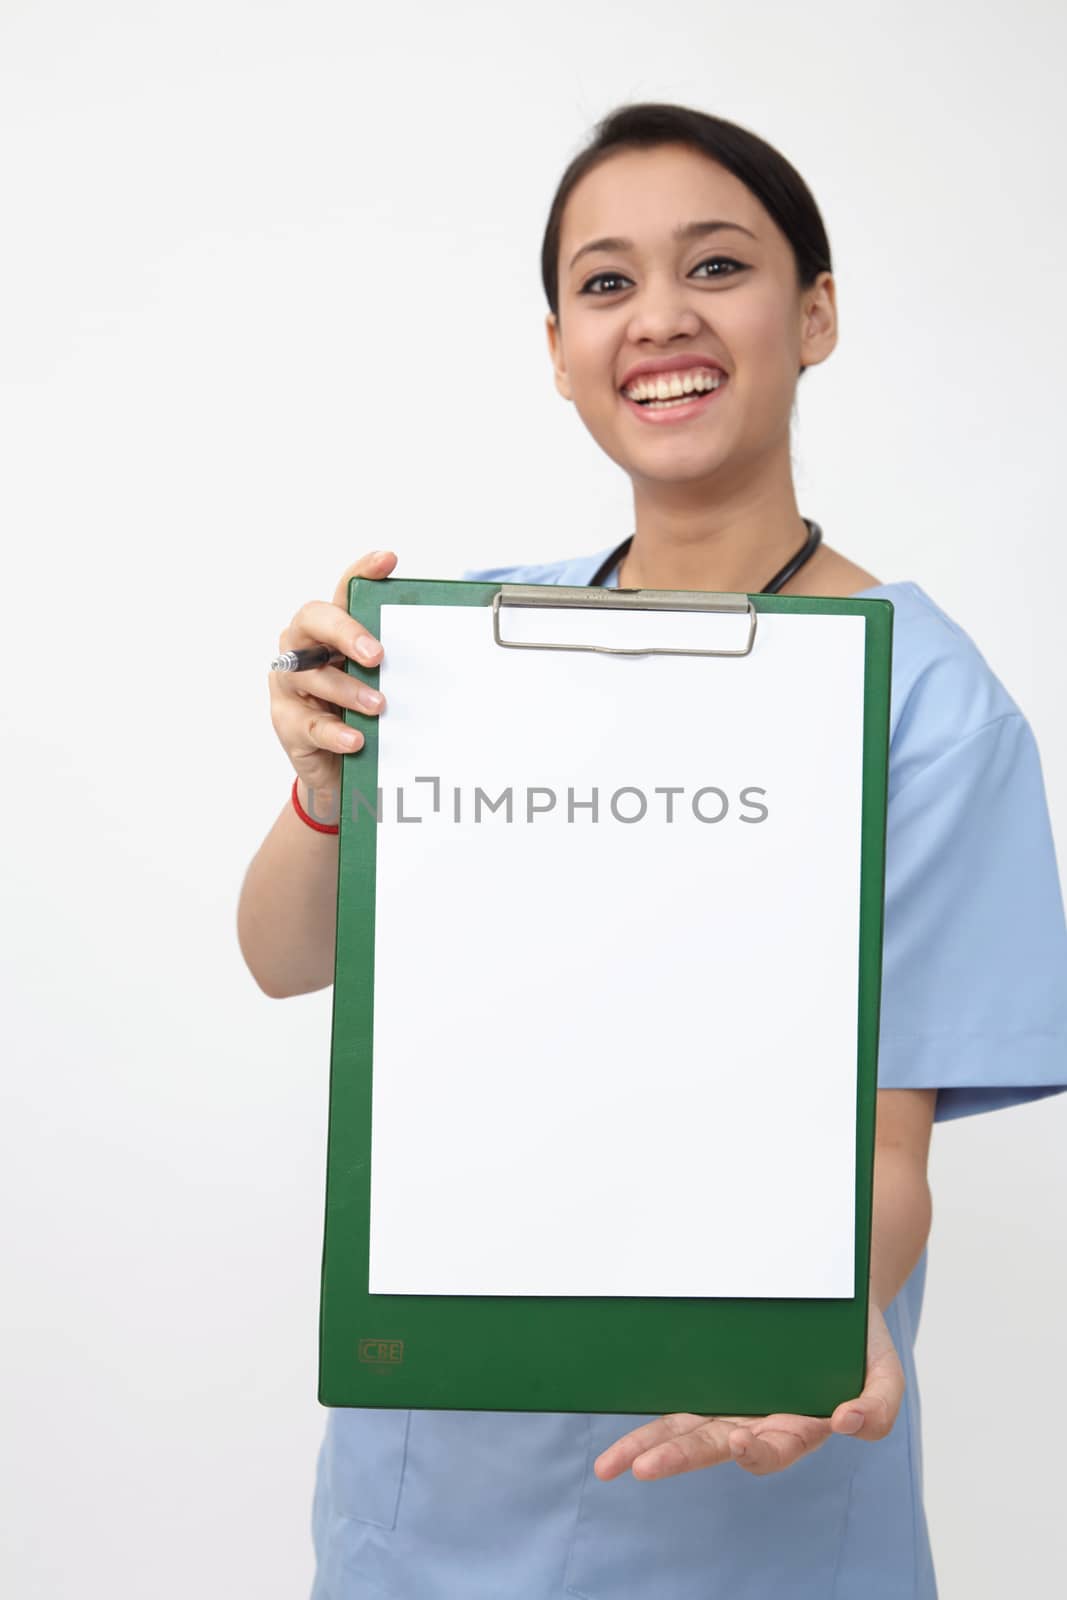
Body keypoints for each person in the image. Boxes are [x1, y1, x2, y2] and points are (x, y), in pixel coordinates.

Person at [237, 102, 1067, 1599]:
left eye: (720, 265)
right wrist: (321, 777)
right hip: (423, 1495)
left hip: (726, 1504)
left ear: (814, 313)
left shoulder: (930, 705)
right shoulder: (465, 645)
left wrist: (827, 1326)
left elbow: (888, 1150)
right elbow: (288, 961)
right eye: (606, 283)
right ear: (556, 347)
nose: (660, 318)